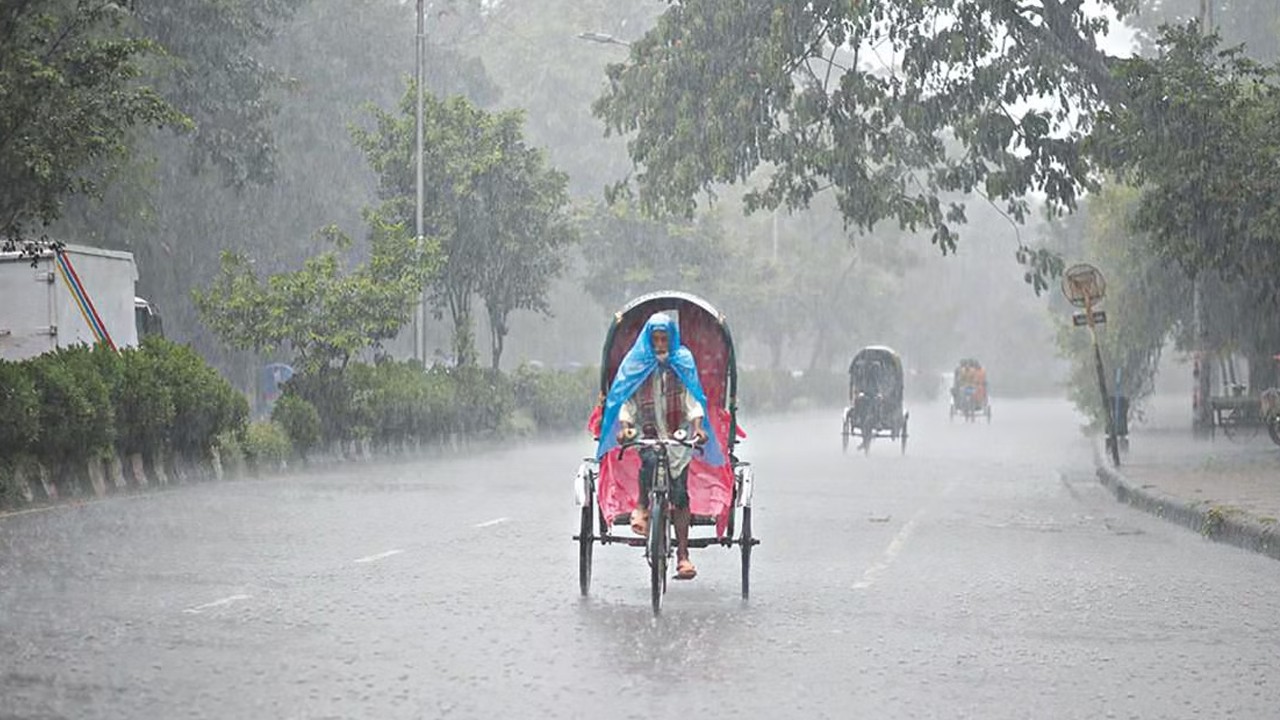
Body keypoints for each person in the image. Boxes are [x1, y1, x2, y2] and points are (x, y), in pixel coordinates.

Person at [597, 312, 715, 581]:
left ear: (671, 340)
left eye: (664, 339)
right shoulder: (637, 363)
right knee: (648, 462)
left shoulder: (682, 363)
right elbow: (628, 400)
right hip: (648, 431)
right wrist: (626, 426)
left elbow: (692, 400)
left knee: (680, 494)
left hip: (678, 435)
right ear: (649, 341)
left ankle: (683, 556)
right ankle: (641, 507)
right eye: (656, 340)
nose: (660, 345)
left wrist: (697, 427)